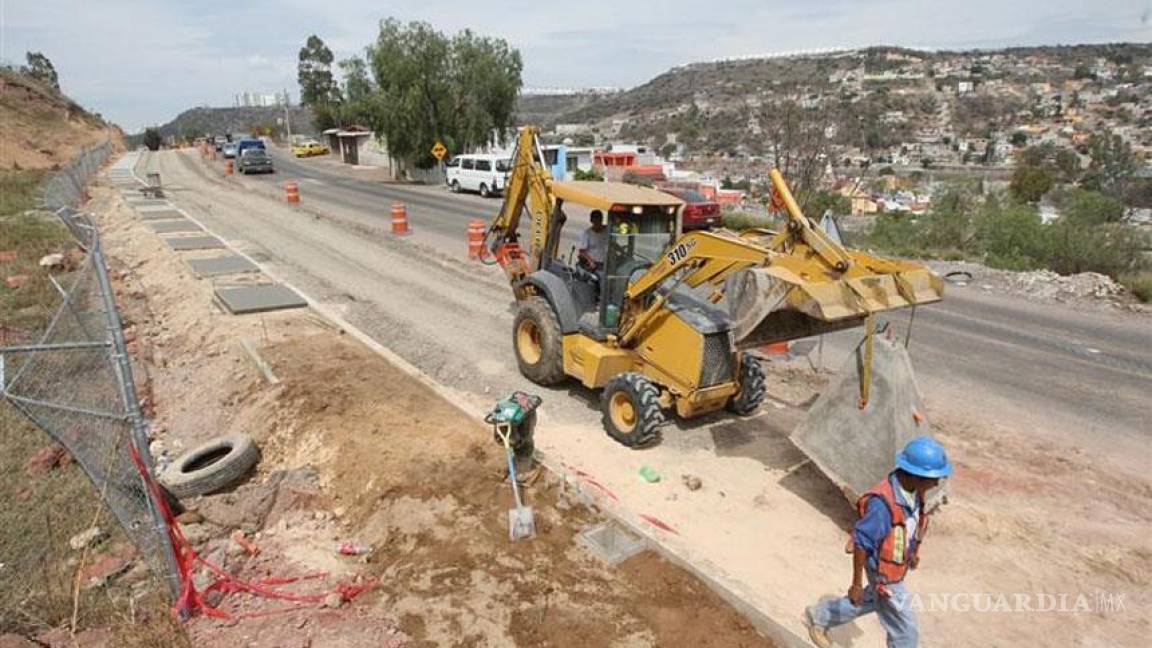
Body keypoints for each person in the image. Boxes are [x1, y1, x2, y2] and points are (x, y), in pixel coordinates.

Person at [804, 436, 953, 648]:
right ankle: (820, 618)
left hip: (894, 568)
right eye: (933, 478)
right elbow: (862, 543)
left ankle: (819, 617)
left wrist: (911, 553)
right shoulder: (882, 505)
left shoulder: (912, 492)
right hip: (884, 575)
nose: (936, 483)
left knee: (868, 601)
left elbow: (905, 528)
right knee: (905, 631)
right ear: (916, 476)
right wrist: (855, 584)